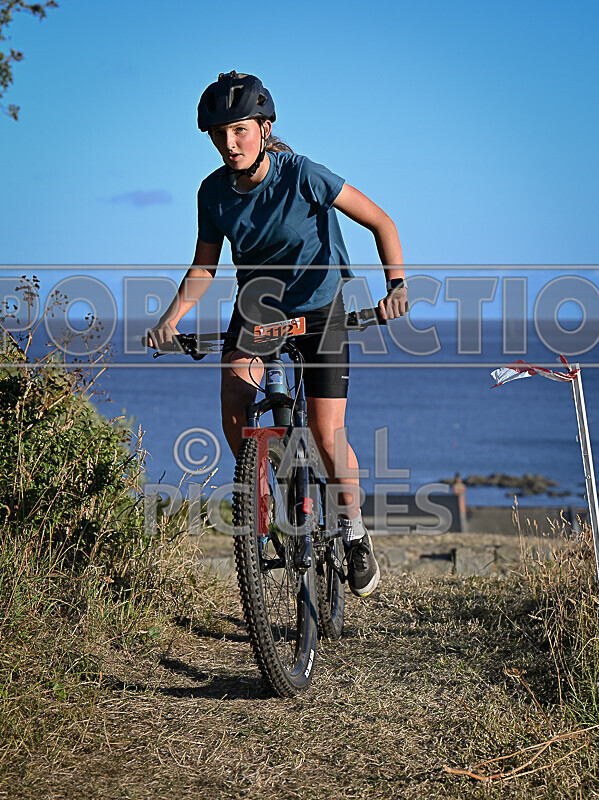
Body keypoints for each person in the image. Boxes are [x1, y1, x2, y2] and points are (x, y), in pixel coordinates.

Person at [149, 71, 407, 598]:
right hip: (258, 308)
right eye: (218, 133)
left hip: (320, 306)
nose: (229, 142)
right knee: (233, 400)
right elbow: (204, 268)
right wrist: (170, 319)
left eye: (240, 129)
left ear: (264, 128)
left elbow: (381, 222)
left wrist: (396, 285)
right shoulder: (213, 193)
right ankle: (265, 490)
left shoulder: (303, 174)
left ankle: (355, 535)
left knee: (326, 431)